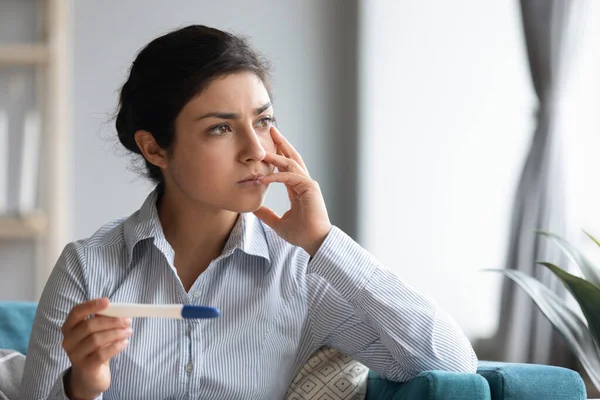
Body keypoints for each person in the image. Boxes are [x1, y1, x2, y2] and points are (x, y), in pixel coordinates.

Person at [20, 25, 477, 400]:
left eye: (263, 121)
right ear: (154, 147)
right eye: (220, 128)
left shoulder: (302, 271)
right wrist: (83, 387)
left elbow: (452, 365)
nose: (256, 150)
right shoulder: (88, 266)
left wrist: (323, 241)